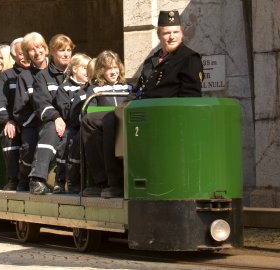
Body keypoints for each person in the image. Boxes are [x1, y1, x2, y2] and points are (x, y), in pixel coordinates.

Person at [82, 10, 204, 198]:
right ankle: (102, 180)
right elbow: (140, 89)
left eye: (175, 32)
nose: (171, 37)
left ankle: (116, 183)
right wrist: (124, 106)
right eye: (166, 32)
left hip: (163, 115)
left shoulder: (189, 59)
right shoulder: (152, 60)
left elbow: (191, 97)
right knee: (89, 120)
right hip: (140, 109)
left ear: (182, 33)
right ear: (159, 35)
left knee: (109, 121)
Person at [28, 34, 75, 195]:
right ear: (52, 52)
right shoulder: (43, 76)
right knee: (50, 131)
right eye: (62, 50)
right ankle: (37, 179)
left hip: (74, 120)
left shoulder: (78, 71)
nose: (66, 54)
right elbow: (42, 103)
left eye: (69, 50)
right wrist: (56, 117)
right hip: (51, 121)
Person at [81, 51, 132, 197]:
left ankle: (119, 180)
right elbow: (91, 112)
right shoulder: (94, 89)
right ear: (101, 70)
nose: (114, 72)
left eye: (116, 67)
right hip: (104, 128)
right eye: (109, 68)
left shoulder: (127, 87)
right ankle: (102, 180)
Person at [0, 38, 31, 191]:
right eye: (21, 53)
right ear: (14, 56)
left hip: (36, 121)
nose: (25, 56)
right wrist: (8, 121)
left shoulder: (39, 74)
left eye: (27, 52)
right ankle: (13, 178)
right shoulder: (6, 77)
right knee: (9, 136)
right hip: (15, 123)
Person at [12, 32, 50, 192]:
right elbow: (19, 109)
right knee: (28, 146)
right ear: (27, 54)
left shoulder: (59, 71)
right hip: (33, 123)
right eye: (32, 50)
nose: (37, 52)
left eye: (40, 47)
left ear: (46, 48)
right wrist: (37, 119)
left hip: (56, 122)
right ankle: (24, 176)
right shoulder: (25, 77)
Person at [53, 53, 91, 193]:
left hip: (86, 125)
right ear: (75, 69)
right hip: (71, 125)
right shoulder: (64, 88)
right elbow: (65, 110)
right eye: (85, 68)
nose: (88, 72)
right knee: (65, 144)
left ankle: (83, 180)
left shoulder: (90, 87)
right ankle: (61, 180)